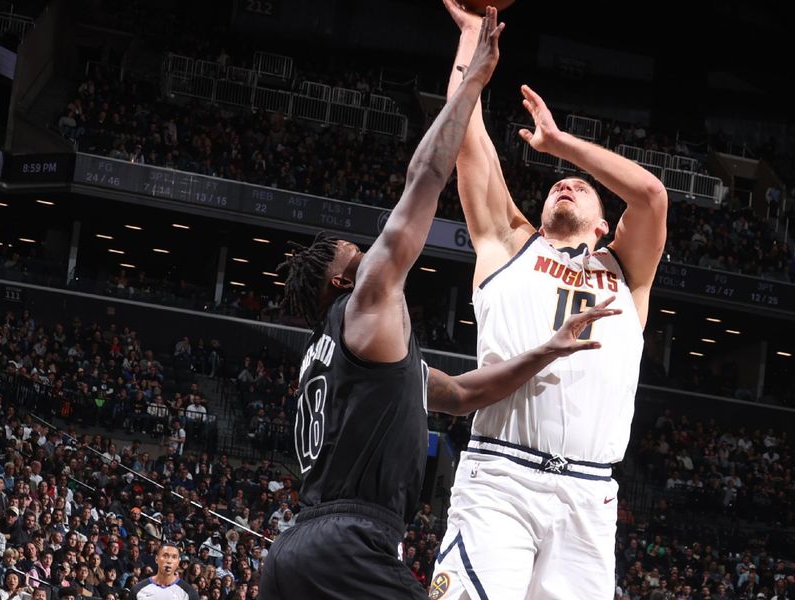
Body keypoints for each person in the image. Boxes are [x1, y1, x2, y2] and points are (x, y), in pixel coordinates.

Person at [258, 10, 621, 600]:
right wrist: (474, 77)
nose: (370, 249)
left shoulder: (343, 356)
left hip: (297, 548)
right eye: (357, 253)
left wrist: (544, 351)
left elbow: (458, 395)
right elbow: (426, 173)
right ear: (349, 280)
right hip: (350, 543)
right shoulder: (371, 298)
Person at [432, 2, 669, 599]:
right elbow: (467, 138)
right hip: (501, 477)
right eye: (558, 183)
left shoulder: (627, 270)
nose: (565, 183)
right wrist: (470, 39)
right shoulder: (507, 241)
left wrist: (561, 146)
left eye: (581, 187)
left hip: (589, 498)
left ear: (602, 224)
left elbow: (651, 195)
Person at [128, 543, 198, 600]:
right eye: (165, 556)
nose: (169, 561)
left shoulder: (189, 593)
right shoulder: (137, 590)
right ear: (156, 559)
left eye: (174, 557)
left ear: (178, 562)